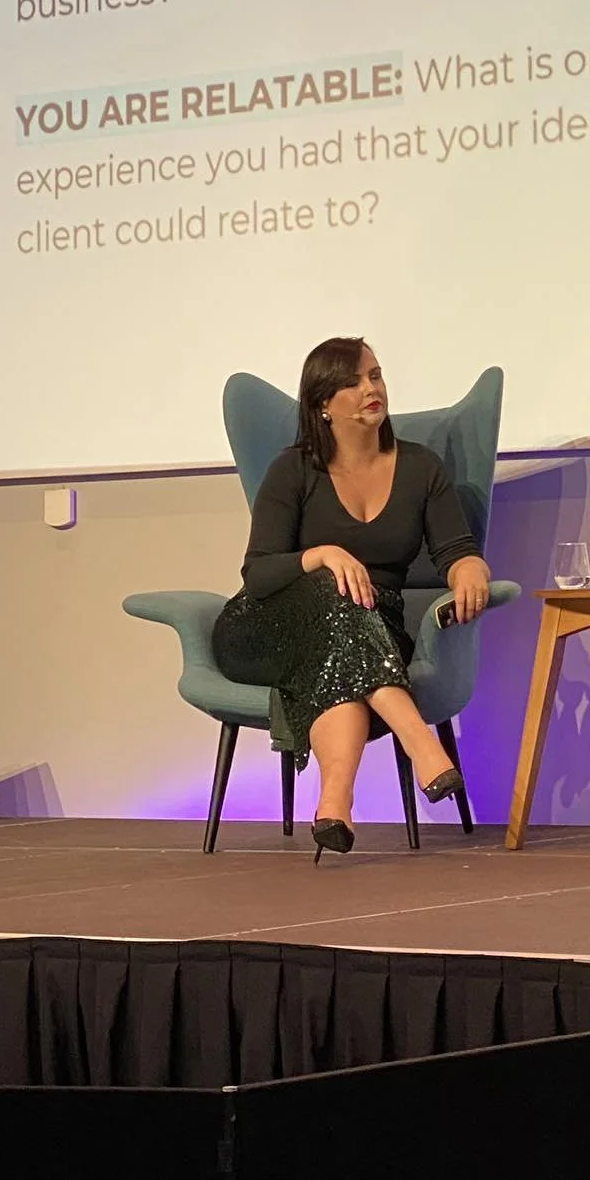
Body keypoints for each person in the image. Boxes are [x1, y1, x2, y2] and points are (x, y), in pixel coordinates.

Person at [212, 337, 494, 860]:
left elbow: (456, 549)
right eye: (353, 381)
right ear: (322, 404)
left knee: (343, 650)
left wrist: (471, 567)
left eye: (376, 375)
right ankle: (419, 740)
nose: (372, 389)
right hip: (266, 623)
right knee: (331, 591)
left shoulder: (420, 468)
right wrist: (321, 555)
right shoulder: (292, 469)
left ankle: (334, 804)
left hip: (368, 625)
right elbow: (257, 573)